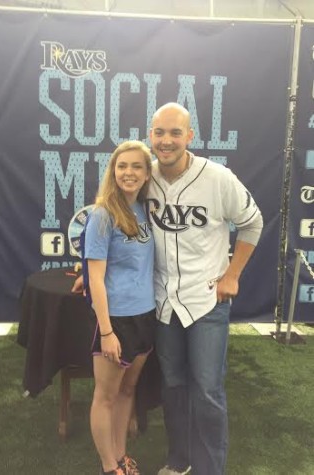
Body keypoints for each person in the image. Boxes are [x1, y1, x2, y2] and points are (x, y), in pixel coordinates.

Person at [146, 103, 263, 475]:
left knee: (208, 391)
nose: (166, 141)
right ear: (151, 135)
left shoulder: (217, 177)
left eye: (174, 133)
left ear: (189, 136)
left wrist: (233, 275)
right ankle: (180, 460)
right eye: (159, 132)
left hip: (206, 300)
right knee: (174, 386)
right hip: (163, 299)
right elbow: (113, 220)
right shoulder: (142, 175)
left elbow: (252, 223)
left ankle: (211, 469)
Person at [83, 140, 156, 475]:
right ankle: (109, 467)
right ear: (113, 171)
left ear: (146, 173)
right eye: (122, 166)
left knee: (128, 390)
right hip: (117, 320)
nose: (129, 172)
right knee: (106, 397)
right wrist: (108, 330)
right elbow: (95, 277)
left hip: (145, 314)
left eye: (136, 166)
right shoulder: (103, 214)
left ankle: (122, 456)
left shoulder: (146, 210)